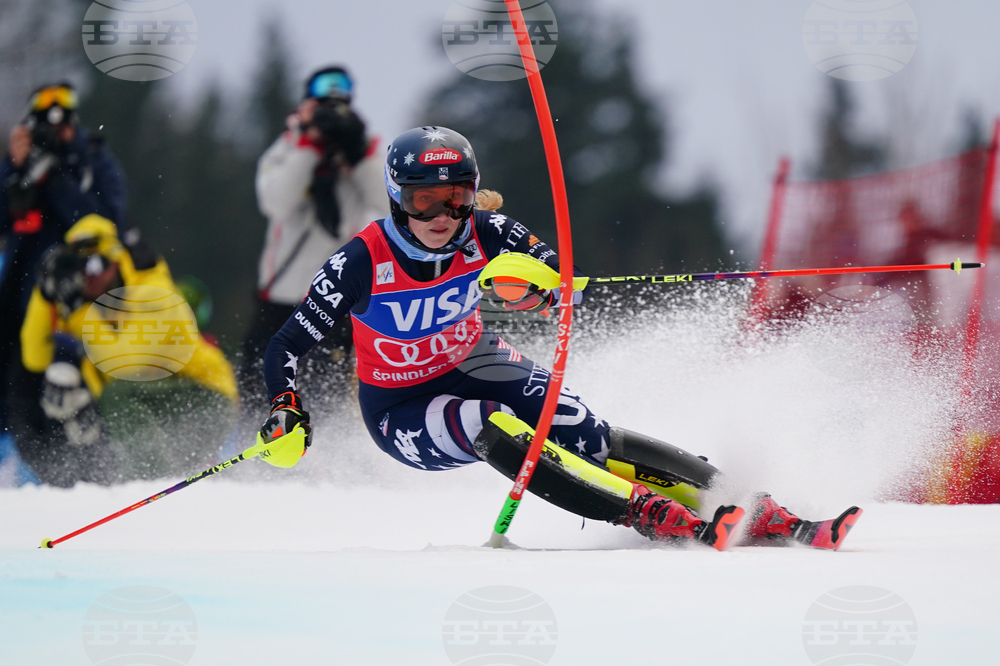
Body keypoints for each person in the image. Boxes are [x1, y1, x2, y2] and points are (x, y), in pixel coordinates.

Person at [254, 127, 861, 550]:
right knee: (493, 423)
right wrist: (286, 407)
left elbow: (560, 280)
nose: (442, 215)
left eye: (456, 197)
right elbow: (283, 346)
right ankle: (643, 513)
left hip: (474, 359)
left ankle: (749, 503)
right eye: (423, 200)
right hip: (400, 406)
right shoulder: (360, 261)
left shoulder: (488, 232)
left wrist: (544, 291)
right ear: (395, 197)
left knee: (581, 430)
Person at [12, 215, 237, 486]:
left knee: (117, 396)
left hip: (205, 400)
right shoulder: (85, 302)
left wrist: (82, 312)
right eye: (79, 269)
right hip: (148, 409)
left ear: (116, 260)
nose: (88, 278)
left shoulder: (152, 288)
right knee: (43, 399)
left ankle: (151, 486)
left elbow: (128, 365)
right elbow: (34, 358)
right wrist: (45, 291)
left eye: (96, 265)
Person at [240, 66, 387, 409]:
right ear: (304, 106)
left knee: (327, 397)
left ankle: (326, 457)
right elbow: (275, 201)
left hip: (335, 299)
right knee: (257, 391)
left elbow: (387, 202)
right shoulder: (288, 147)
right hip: (279, 296)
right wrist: (309, 146)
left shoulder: (363, 151)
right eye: (321, 107)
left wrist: (358, 154)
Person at [0, 82, 128, 473]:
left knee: (71, 393)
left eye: (62, 126)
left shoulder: (92, 163)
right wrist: (18, 171)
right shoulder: (16, 165)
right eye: (44, 127)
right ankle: (19, 469)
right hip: (22, 297)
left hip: (81, 304)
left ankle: (87, 474)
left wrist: (55, 179)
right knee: (17, 390)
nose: (55, 135)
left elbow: (108, 222)